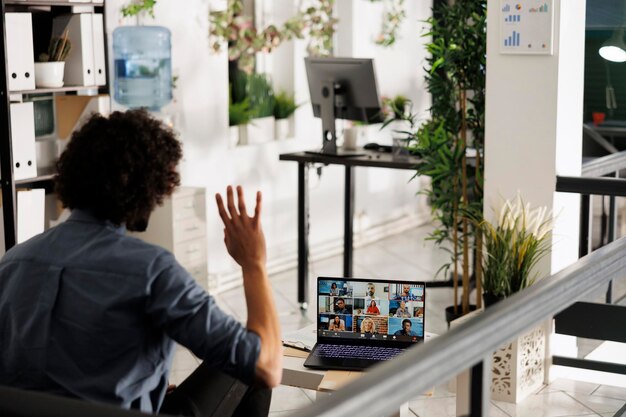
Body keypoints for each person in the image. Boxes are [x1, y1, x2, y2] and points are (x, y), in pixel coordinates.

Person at [0, 110, 282, 417]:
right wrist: (253, 262)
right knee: (259, 349)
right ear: (148, 185)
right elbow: (266, 368)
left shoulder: (12, 262)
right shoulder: (151, 270)